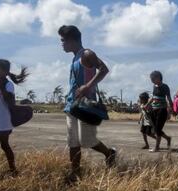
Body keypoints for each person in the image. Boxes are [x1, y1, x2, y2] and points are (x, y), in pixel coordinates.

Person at [58, 25, 116, 182]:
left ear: (72, 40)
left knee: (87, 141)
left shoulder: (87, 54)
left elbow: (104, 70)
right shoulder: (74, 57)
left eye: (63, 40)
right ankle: (75, 174)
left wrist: (87, 86)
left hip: (85, 106)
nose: (61, 44)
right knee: (73, 142)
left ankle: (109, 153)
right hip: (72, 105)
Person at [145, 71, 172, 152]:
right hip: (154, 110)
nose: (152, 80)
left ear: (158, 78)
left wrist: (170, 111)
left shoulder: (165, 87)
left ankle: (157, 148)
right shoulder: (154, 86)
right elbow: (153, 97)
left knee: (157, 129)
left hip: (162, 110)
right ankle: (167, 138)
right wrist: (147, 104)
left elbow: (169, 99)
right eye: (151, 79)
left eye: (153, 78)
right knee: (156, 129)